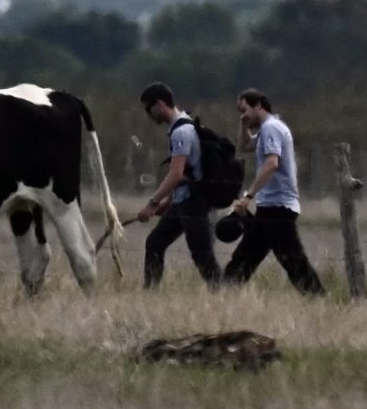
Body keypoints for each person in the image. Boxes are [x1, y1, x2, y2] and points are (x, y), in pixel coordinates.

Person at [223, 88, 325, 296]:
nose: (242, 115)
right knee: (249, 257)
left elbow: (271, 164)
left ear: (259, 105)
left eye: (244, 110)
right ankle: (224, 295)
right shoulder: (267, 129)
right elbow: (244, 146)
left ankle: (318, 297)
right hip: (272, 208)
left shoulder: (271, 129)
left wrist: (248, 196)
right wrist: (243, 123)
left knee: (291, 260)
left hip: (278, 208)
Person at [135, 82, 221, 288]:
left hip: (194, 204)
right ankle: (150, 293)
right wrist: (168, 200)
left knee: (203, 257)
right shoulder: (184, 126)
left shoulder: (180, 132)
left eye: (149, 109)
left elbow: (175, 174)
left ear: (160, 104)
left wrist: (152, 203)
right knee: (155, 242)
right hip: (183, 200)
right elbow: (188, 174)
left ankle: (226, 294)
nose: (148, 115)